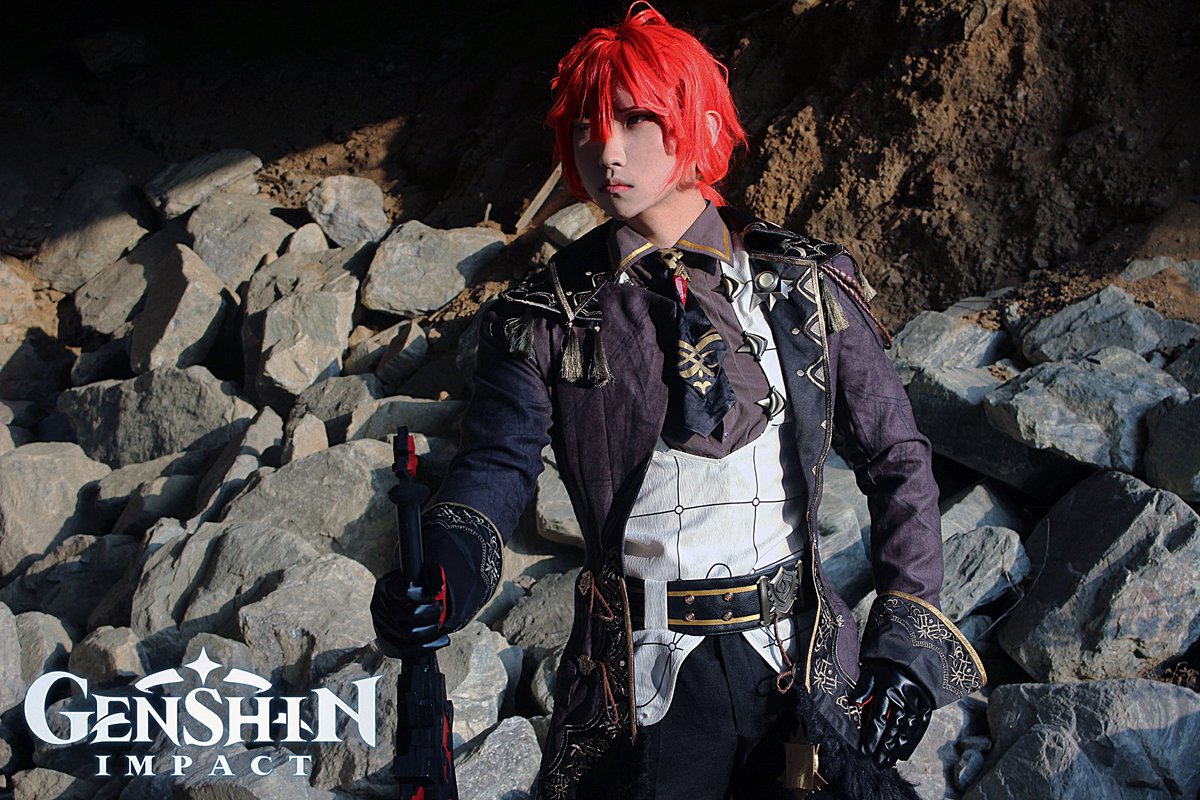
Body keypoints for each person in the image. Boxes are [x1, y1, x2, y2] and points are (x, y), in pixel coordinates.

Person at [372, 4, 985, 798]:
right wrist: (445, 575)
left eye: (635, 119)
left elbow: (897, 460)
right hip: (640, 686)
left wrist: (906, 648)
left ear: (700, 122)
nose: (607, 150)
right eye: (587, 127)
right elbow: (496, 467)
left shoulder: (801, 285)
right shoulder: (543, 317)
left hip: (801, 664)